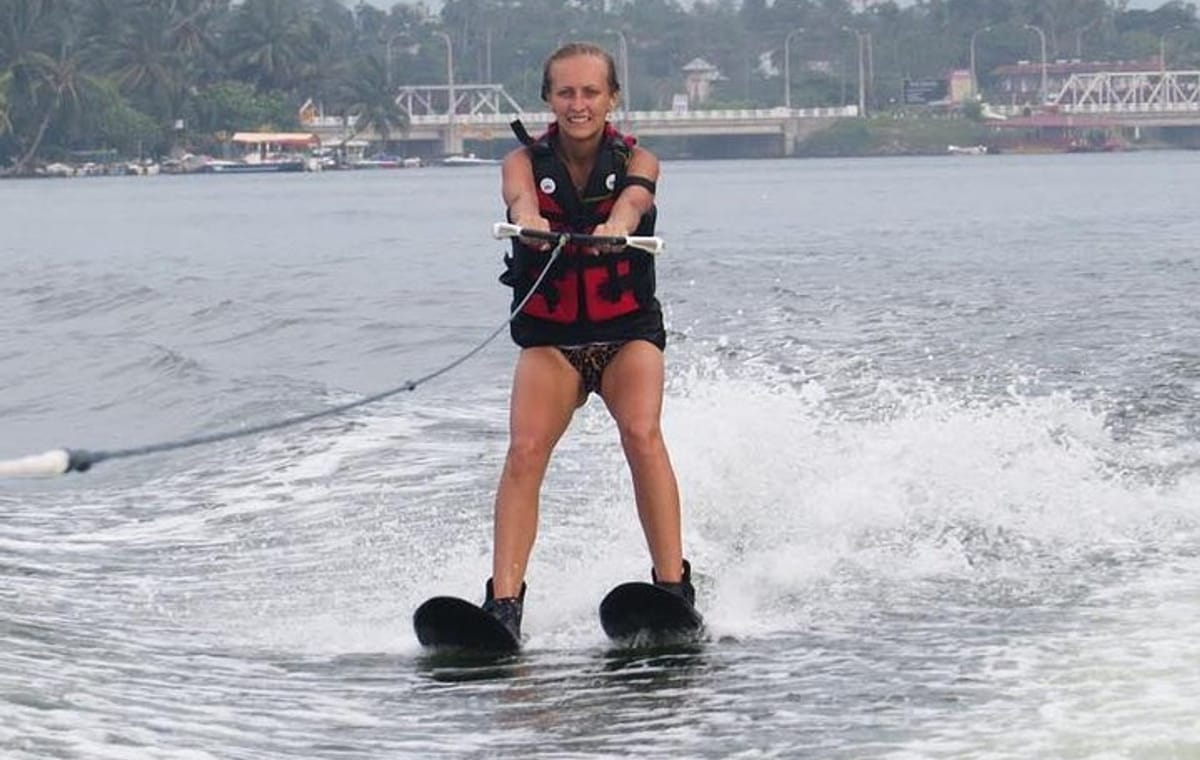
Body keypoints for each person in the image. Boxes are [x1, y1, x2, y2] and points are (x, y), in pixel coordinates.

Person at [483, 42, 694, 639]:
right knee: (525, 451)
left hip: (626, 334)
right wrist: (529, 224)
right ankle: (503, 606)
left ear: (612, 98)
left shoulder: (640, 159)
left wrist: (617, 228)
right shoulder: (521, 163)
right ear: (549, 99)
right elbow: (521, 199)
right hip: (553, 340)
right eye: (566, 92)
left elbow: (635, 199)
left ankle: (672, 589)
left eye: (591, 92)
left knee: (641, 433)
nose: (578, 104)